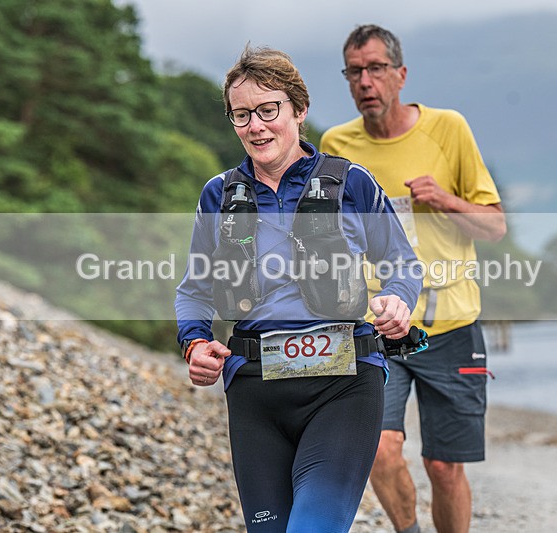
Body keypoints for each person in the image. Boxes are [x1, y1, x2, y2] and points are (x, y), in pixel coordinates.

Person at [175, 44, 422, 533]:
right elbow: (195, 289)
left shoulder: (351, 183)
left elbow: (402, 264)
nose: (256, 126)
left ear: (298, 110)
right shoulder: (219, 195)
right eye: (242, 115)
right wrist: (195, 341)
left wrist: (397, 300)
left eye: (269, 110)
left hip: (344, 386)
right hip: (254, 393)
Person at [320, 25, 507, 533]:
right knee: (379, 449)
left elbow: (494, 226)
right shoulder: (337, 144)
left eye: (376, 69)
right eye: (354, 72)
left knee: (444, 467)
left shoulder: (448, 129)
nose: (365, 82)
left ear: (400, 75)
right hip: (378, 322)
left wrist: (445, 200)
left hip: (451, 324)